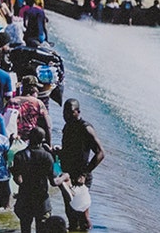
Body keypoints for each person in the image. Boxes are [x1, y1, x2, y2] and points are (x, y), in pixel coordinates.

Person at [57, 98, 105, 231]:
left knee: (82, 214)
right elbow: (69, 150)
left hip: (81, 178)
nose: (66, 115)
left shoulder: (85, 128)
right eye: (64, 112)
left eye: (70, 112)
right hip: (68, 175)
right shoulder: (67, 126)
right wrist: (59, 152)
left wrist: (84, 173)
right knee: (70, 211)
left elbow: (101, 153)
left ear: (78, 112)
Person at [13, 127, 56, 233]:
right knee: (41, 229)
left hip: (25, 199)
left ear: (29, 138)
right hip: (41, 201)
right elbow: (53, 182)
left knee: (25, 229)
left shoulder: (19, 155)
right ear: (43, 140)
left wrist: (24, 185)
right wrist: (65, 176)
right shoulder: (47, 157)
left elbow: (17, 179)